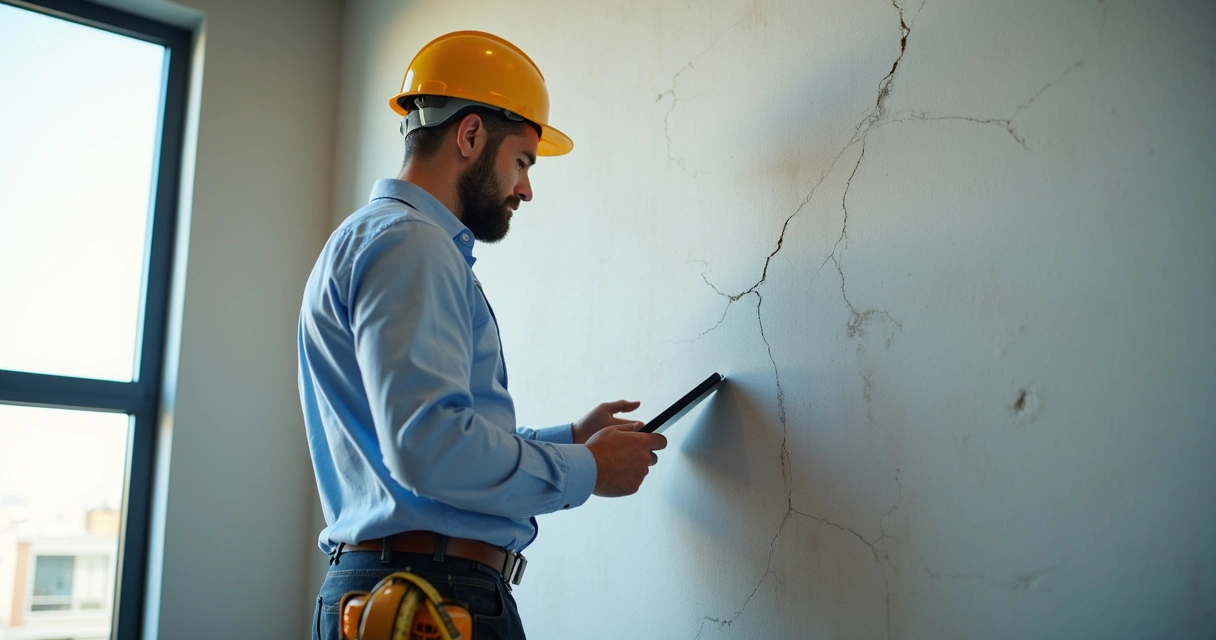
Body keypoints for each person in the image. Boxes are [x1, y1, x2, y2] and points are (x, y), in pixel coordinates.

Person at [298, 31, 668, 640]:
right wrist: (586, 470)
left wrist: (572, 438)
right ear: (470, 135)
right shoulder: (412, 244)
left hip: (401, 589)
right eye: (522, 160)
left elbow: (425, 441)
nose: (526, 187)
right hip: (430, 598)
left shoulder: (374, 240)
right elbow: (432, 448)